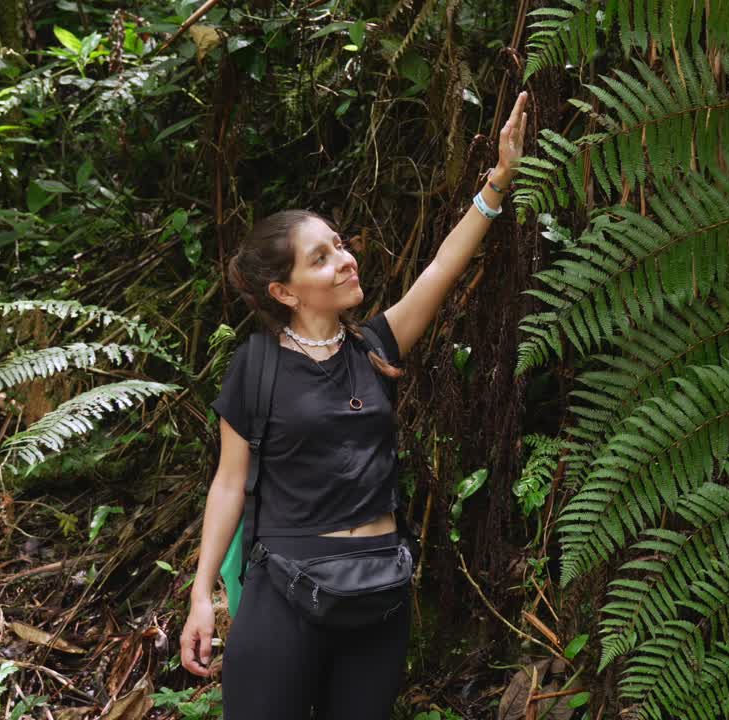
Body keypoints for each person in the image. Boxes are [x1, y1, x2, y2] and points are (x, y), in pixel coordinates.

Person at [178, 91, 529, 719]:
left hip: (380, 595)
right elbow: (229, 485)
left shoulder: (373, 348)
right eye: (322, 257)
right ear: (284, 291)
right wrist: (202, 593)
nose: (345, 259)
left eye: (339, 244)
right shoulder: (255, 366)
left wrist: (497, 184)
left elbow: (442, 269)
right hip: (285, 589)